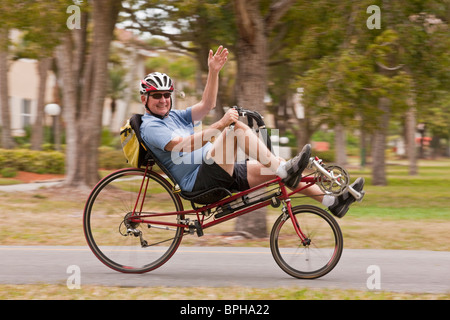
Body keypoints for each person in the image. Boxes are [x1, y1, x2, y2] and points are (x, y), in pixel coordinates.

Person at [140, 46, 364, 218]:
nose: (163, 100)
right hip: (200, 182)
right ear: (145, 99)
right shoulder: (150, 127)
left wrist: (213, 72)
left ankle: (333, 203)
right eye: (157, 96)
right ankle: (286, 170)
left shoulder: (175, 115)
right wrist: (220, 124)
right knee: (235, 130)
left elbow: (206, 105)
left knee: (274, 168)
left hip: (218, 168)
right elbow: (183, 145)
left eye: (166, 95)